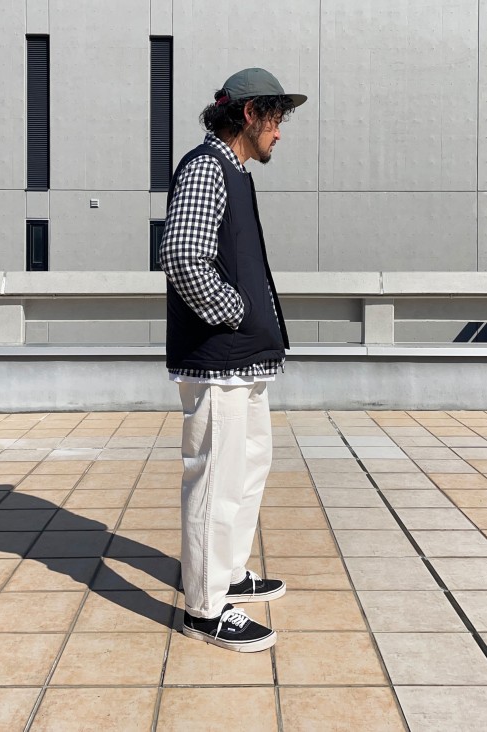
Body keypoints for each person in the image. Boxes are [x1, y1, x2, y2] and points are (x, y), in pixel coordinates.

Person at [160, 68, 307, 652]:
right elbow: (182, 256)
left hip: (244, 360)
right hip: (218, 358)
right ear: (249, 114)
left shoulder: (235, 173)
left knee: (246, 471)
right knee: (215, 482)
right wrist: (236, 311)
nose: (280, 133)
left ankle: (227, 573)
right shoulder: (206, 168)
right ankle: (204, 608)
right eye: (276, 120)